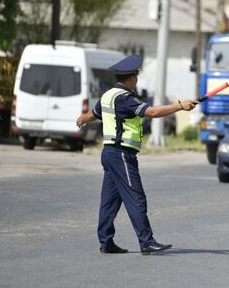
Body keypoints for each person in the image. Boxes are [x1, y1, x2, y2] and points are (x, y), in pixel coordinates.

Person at [76, 54, 198, 255]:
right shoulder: (125, 99)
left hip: (109, 153)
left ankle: (106, 241)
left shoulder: (108, 95)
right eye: (137, 76)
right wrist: (180, 106)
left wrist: (82, 118)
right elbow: (151, 113)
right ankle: (146, 241)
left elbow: (93, 114)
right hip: (122, 154)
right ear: (132, 78)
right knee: (136, 197)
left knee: (110, 200)